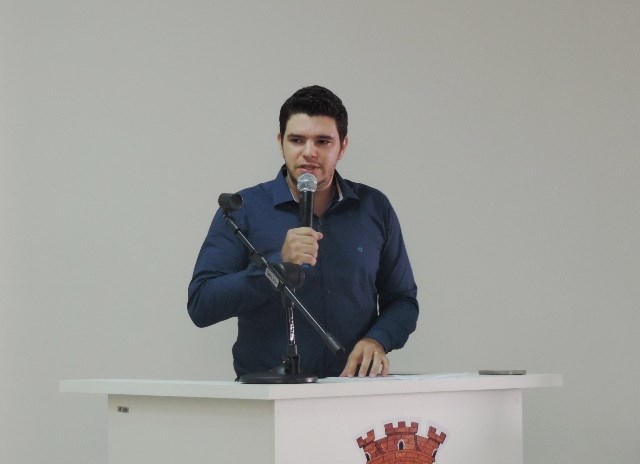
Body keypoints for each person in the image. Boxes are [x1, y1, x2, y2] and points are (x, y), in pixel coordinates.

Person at [187, 85, 418, 379]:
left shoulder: (374, 207)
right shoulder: (243, 210)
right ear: (280, 142)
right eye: (297, 140)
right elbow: (202, 304)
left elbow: (403, 300)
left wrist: (378, 340)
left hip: (354, 391)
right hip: (268, 393)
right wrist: (276, 266)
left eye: (323, 141)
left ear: (342, 146)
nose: (309, 152)